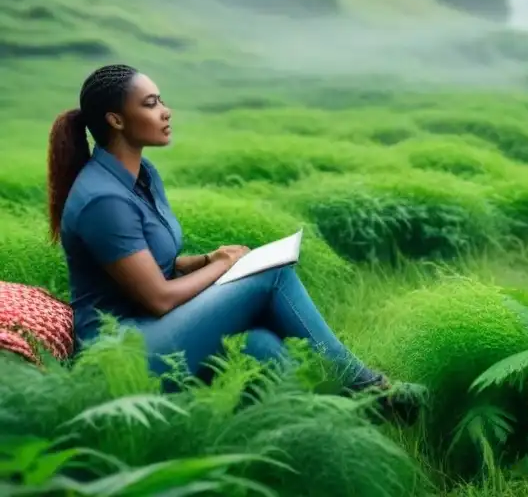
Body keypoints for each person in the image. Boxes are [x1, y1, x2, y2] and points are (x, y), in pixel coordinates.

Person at [47, 64, 389, 395]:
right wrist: (222, 267)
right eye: (151, 104)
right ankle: (367, 386)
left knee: (261, 345)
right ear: (116, 120)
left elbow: (151, 262)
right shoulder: (103, 200)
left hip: (153, 327)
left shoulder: (143, 174)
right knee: (273, 275)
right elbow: (158, 298)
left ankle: (335, 419)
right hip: (123, 350)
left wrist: (207, 258)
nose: (166, 112)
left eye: (161, 101)